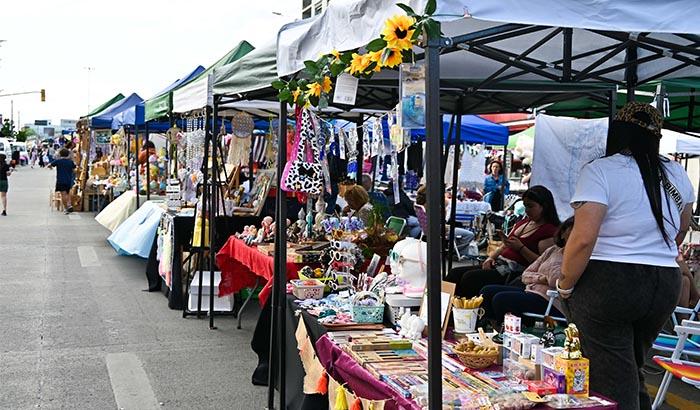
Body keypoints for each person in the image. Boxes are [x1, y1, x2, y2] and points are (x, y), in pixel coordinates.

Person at [559, 102, 695, 409]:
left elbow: (582, 240)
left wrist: (565, 284)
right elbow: (681, 229)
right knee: (631, 365)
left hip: (609, 282)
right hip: (662, 282)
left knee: (610, 376)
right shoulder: (675, 171)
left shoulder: (601, 170)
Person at [446, 185, 560, 297]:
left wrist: (521, 248)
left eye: (530, 206)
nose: (527, 210)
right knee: (454, 274)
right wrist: (491, 258)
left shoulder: (548, 231)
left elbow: (542, 264)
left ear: (544, 206)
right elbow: (504, 246)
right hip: (499, 264)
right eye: (525, 206)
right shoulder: (524, 222)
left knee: (469, 278)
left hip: (513, 271)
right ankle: (447, 308)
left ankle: (467, 309)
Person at [480, 217, 574, 327]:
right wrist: (541, 279)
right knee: (487, 291)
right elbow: (526, 274)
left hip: (552, 301)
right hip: (532, 291)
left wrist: (565, 253)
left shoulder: (573, 257)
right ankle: (490, 328)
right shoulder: (552, 250)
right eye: (572, 231)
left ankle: (504, 331)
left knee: (502, 299)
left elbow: (554, 280)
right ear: (562, 233)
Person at [414, 185, 475, 254]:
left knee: (459, 231)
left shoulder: (419, 205)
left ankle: (455, 251)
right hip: (438, 230)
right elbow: (442, 219)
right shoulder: (432, 205)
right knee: (469, 234)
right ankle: (457, 252)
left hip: (428, 230)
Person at [48, 148, 76, 214]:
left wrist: (51, 167)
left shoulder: (58, 161)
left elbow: (49, 165)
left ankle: (67, 207)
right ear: (68, 154)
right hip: (69, 180)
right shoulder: (70, 162)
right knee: (68, 193)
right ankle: (69, 205)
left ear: (60, 154)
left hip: (61, 180)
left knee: (63, 194)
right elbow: (74, 169)